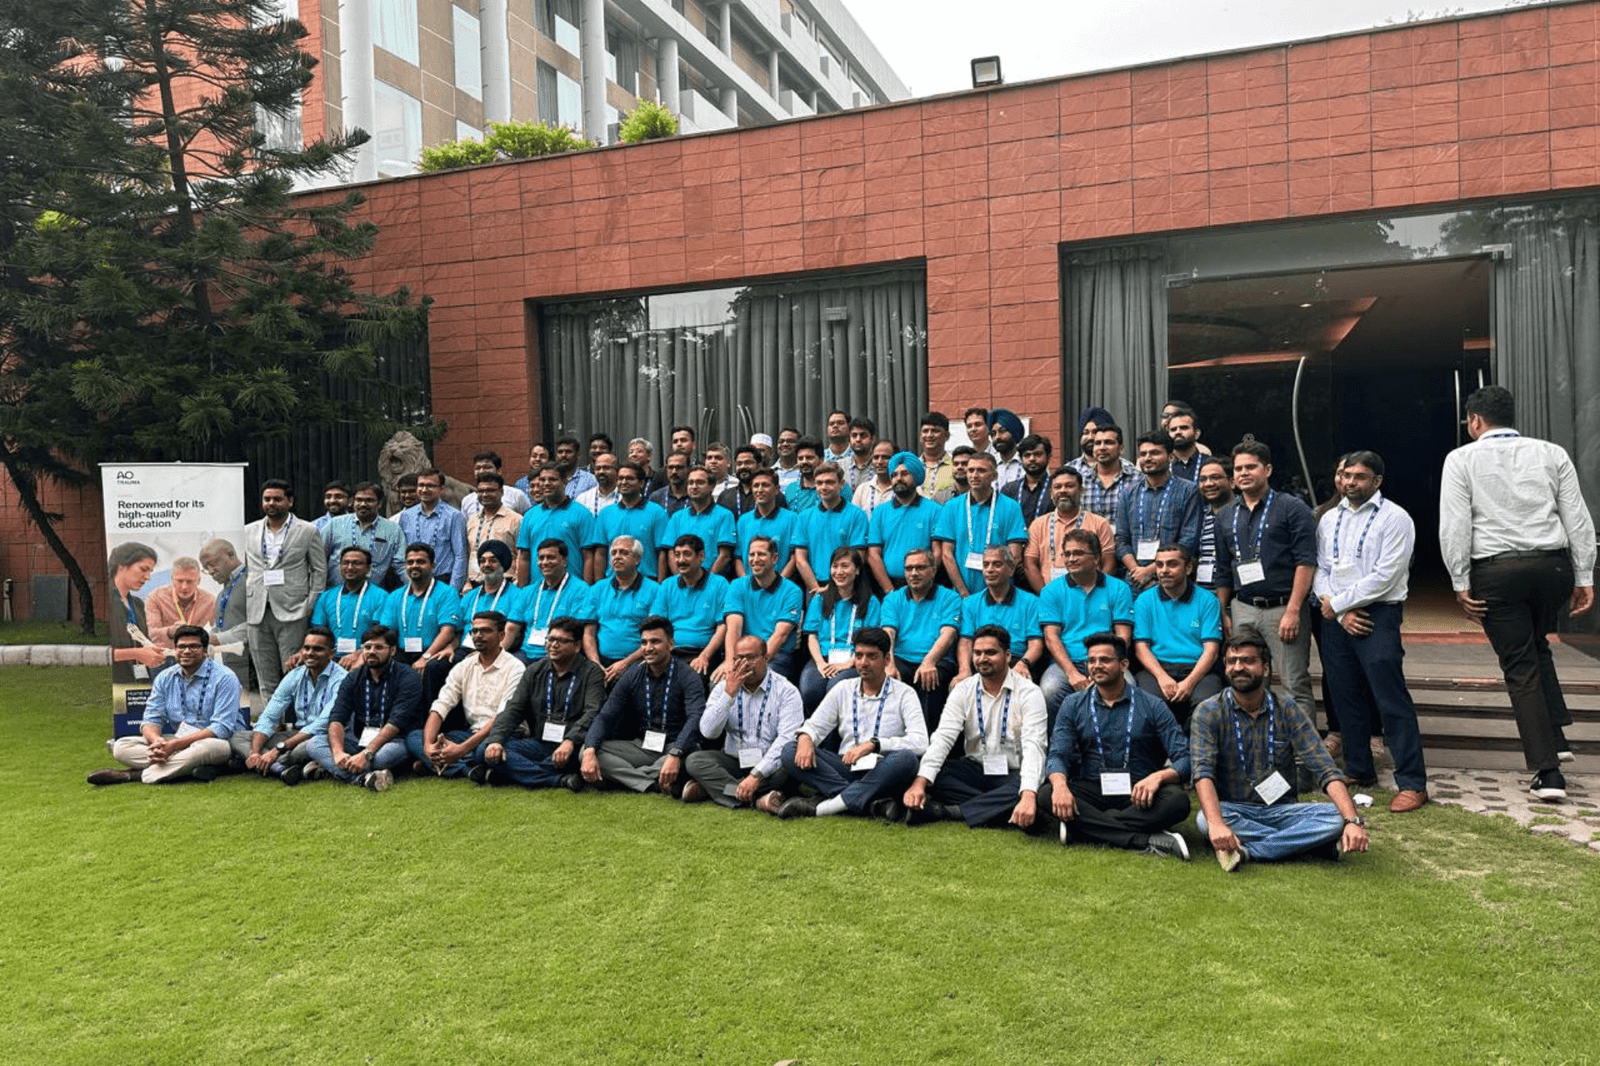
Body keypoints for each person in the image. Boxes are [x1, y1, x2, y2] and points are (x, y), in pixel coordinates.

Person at [1439, 385, 1596, 801]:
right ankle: (1557, 739)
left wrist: (1459, 581)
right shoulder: (1551, 453)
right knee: (1536, 647)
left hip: (1498, 572)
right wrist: (1584, 575)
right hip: (1552, 568)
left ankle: (1548, 773)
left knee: (1519, 664)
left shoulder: (1461, 459)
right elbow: (1577, 517)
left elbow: (1455, 524)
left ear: (1475, 421)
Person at [1192, 628, 1368, 870]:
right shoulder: (1209, 711)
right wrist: (1217, 824)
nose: (1238, 667)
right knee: (1205, 819)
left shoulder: (1287, 708)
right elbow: (1202, 773)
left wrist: (1352, 821)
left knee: (1337, 818)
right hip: (1235, 810)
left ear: (1266, 669)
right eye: (1232, 661)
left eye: (1248, 660)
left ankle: (1249, 851)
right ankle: (1307, 844)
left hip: (1283, 810)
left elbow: (1324, 767)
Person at [1316, 450, 1429, 812]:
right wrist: (1336, 609)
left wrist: (1339, 604)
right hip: (1337, 617)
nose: (1350, 482)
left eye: (1360, 476)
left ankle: (1412, 783)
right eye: (1346, 475)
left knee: (1389, 698)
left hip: (1377, 614)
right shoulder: (1329, 519)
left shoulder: (1396, 518)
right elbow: (1320, 569)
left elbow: (1387, 575)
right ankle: (1359, 769)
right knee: (1344, 694)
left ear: (1377, 481)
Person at [1037, 632, 1192, 859]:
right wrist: (1060, 786)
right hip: (1092, 788)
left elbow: (1185, 758)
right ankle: (1145, 839)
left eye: (1105, 660)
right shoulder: (1073, 704)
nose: (1096, 666)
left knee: (1178, 801)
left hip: (1139, 792)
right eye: (1091, 660)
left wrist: (1158, 777)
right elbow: (1058, 754)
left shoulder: (1152, 705)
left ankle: (1083, 828)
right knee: (1047, 793)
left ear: (1124, 665)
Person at [897, 625, 1049, 829]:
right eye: (977, 653)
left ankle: (948, 811)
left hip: (1013, 772)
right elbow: (943, 738)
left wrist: (1028, 794)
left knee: (1033, 788)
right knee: (925, 773)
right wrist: (920, 782)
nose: (982, 659)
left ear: (1007, 655)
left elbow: (1034, 746)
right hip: (975, 769)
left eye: (990, 653)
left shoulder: (1029, 693)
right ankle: (999, 808)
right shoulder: (964, 689)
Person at [1213, 441, 1319, 727]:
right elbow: (1223, 569)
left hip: (1283, 608)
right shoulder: (1225, 515)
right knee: (1248, 682)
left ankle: (1304, 751)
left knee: (1294, 683)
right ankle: (1258, 744)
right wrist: (1224, 612)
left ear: (1267, 470)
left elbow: (1306, 562)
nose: (1244, 473)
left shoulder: (1292, 508)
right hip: (1243, 609)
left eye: (1251, 467)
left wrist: (1294, 610)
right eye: (1238, 469)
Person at [774, 627, 929, 819]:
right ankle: (870, 803)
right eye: (859, 656)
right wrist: (806, 737)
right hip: (846, 766)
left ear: (887, 659)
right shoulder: (843, 688)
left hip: (882, 769)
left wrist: (874, 744)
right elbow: (814, 726)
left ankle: (825, 807)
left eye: (871, 656)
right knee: (790, 750)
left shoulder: (905, 693)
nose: (863, 663)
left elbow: (921, 742)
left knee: (906, 759)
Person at [89, 625, 244, 785]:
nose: (186, 651)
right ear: (175, 650)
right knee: (121, 746)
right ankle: (198, 767)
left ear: (205, 650)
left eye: (193, 646)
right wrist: (157, 742)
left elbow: (221, 728)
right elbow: (151, 719)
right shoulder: (165, 677)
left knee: (206, 749)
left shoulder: (225, 678)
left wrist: (174, 746)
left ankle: (132, 775)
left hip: (216, 741)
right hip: (178, 741)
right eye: (181, 647)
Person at [580, 616, 707, 794]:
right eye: (644, 642)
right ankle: (654, 783)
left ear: (670, 644)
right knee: (585, 751)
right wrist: (589, 751)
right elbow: (606, 716)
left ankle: (624, 779)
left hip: (677, 746)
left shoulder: (688, 675)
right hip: (643, 746)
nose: (648, 648)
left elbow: (696, 718)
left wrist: (676, 753)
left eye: (655, 642)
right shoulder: (633, 674)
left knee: (691, 758)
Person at [480, 615, 606, 789]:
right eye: (551, 639)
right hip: (540, 743)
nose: (553, 645)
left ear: (577, 646)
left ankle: (512, 773)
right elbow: (514, 709)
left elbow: (593, 712)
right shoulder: (534, 670)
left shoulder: (591, 673)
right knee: (486, 750)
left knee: (576, 757)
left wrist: (570, 741)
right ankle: (558, 780)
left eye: (562, 641)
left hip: (574, 745)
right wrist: (496, 739)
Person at [683, 636, 804, 810]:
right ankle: (758, 799)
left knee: (790, 764)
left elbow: (786, 739)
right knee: (695, 761)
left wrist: (756, 775)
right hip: (735, 761)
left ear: (766, 658)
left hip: (769, 765)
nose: (745, 664)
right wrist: (729, 695)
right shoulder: (723, 688)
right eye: (739, 658)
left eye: (751, 657)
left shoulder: (787, 691)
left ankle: (716, 790)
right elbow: (708, 732)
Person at [406, 610, 526, 779]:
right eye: (474, 631)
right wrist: (428, 747)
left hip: (504, 734)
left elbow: (502, 717)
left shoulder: (515, 668)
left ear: (501, 635)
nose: (478, 636)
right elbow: (440, 706)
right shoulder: (465, 665)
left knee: (484, 751)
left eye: (485, 631)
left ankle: (441, 763)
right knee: (414, 737)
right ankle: (468, 769)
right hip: (471, 733)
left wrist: (461, 749)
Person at [312, 624, 425, 791]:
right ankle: (363, 778)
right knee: (314, 743)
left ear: (393, 650)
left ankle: (333, 769)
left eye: (379, 647)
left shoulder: (408, 677)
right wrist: (338, 752)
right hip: (359, 738)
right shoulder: (353, 678)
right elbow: (337, 717)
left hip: (394, 740)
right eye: (367, 647)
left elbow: (396, 722)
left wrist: (367, 754)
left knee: (382, 758)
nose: (372, 651)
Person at [1038, 528, 1135, 723]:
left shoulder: (1119, 588)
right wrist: (1072, 673)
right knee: (1050, 690)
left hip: (1107, 660)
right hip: (1067, 663)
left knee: (1130, 687)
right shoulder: (1051, 591)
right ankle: (1060, 741)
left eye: (1078, 553)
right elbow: (1051, 637)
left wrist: (1104, 667)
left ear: (1097, 558)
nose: (1071, 559)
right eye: (1067, 554)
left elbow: (1123, 636)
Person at [244, 478, 327, 705]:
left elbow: (319, 570)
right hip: (256, 609)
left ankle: (298, 717)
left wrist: (310, 603)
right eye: (267, 499)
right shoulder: (248, 531)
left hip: (293, 609)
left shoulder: (307, 530)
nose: (271, 503)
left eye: (277, 499)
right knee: (264, 671)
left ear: (289, 501)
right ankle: (272, 718)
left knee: (295, 669)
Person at [236, 626, 346, 784]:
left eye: (317, 649)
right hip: (296, 734)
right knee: (238, 737)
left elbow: (323, 723)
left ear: (331, 653)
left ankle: (265, 764)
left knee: (305, 748)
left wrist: (278, 749)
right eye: (306, 648)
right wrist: (254, 752)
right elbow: (269, 716)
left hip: (324, 737)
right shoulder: (295, 675)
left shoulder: (341, 679)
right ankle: (278, 767)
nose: (310, 653)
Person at [1132, 545, 1223, 731]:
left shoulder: (1208, 600)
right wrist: (1162, 677)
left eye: (1172, 564)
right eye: (1159, 565)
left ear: (1188, 568)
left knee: (1206, 705)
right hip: (1157, 668)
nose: (1164, 570)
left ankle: (1190, 748)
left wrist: (1189, 683)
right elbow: (1141, 648)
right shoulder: (1144, 600)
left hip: (1198, 669)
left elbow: (1211, 651)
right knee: (1148, 703)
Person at [880, 548, 962, 731]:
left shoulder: (950, 597)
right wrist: (889, 664)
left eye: (920, 567)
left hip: (938, 660)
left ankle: (928, 741)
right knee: (887, 678)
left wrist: (929, 661)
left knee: (930, 680)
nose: (914, 573)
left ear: (933, 570)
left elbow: (948, 634)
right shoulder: (893, 599)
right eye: (909, 568)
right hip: (901, 658)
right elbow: (888, 633)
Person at [1115, 430, 1202, 593]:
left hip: (1173, 582)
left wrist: (1150, 571)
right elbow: (1121, 539)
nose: (1147, 458)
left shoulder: (1188, 491)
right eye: (1143, 454)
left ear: (1171, 456)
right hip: (1134, 581)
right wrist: (1137, 571)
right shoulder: (1128, 493)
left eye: (1155, 453)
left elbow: (1188, 540)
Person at [933, 451, 1028, 598]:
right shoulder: (951, 507)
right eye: (971, 470)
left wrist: (993, 594)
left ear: (994, 475)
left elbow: (1014, 555)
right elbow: (947, 554)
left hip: (999, 595)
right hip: (962, 595)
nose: (974, 475)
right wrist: (963, 593)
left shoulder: (1011, 507)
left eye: (981, 470)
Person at [798, 547, 881, 710]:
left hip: (855, 660)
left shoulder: (870, 602)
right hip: (823, 658)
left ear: (857, 570)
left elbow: (870, 642)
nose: (839, 572)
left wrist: (847, 664)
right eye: (835, 566)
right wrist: (820, 663)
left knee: (836, 689)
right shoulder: (820, 599)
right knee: (810, 691)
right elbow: (812, 637)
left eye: (845, 566)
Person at [381, 543, 462, 702]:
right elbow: (386, 630)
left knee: (434, 668)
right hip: (403, 652)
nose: (414, 566)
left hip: (433, 651)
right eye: (410, 562)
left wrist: (426, 657)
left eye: (421, 561)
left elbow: (448, 631)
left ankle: (431, 715)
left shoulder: (447, 593)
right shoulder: (395, 596)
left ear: (432, 566)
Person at [955, 546, 1043, 682]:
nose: (990, 570)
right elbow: (966, 642)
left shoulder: (1031, 602)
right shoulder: (970, 603)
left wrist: (1023, 663)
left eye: (997, 564)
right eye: (986, 565)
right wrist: (964, 670)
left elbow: (1036, 643)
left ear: (1011, 569)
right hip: (982, 662)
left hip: (1016, 661)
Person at [721, 535, 803, 679]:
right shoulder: (737, 585)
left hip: (777, 655)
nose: (755, 559)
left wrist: (754, 665)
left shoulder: (792, 591)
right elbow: (734, 627)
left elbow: (780, 635)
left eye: (761, 554)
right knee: (718, 682)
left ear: (774, 558)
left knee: (754, 680)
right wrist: (730, 662)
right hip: (741, 654)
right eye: (751, 554)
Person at [1023, 466, 1115, 591]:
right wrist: (1046, 595)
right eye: (1057, 487)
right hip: (1050, 593)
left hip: (1090, 593)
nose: (1063, 491)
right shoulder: (1038, 525)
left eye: (1069, 486)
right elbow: (1030, 565)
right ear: (1051, 492)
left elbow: (1108, 563)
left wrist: (1096, 594)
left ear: (1081, 490)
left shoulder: (1099, 524)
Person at [649, 534, 729, 675]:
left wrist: (704, 656)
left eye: (686, 554)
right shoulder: (667, 585)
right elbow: (655, 624)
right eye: (677, 555)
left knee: (690, 679)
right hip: (670, 653)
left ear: (701, 556)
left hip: (702, 653)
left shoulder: (719, 584)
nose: (681, 560)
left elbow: (723, 626)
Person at [583, 536, 659, 684]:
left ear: (637, 559)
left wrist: (625, 663)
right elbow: (588, 634)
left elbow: (655, 636)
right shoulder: (597, 589)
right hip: (601, 662)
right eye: (614, 553)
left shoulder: (654, 590)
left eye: (624, 553)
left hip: (639, 662)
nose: (617, 557)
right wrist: (595, 664)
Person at [866, 452, 942, 594]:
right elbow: (873, 554)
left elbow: (937, 552)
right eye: (894, 475)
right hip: (888, 587)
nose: (898, 479)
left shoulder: (934, 510)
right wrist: (889, 590)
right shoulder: (880, 512)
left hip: (925, 587)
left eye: (905, 474)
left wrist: (925, 582)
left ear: (916, 476)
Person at [792, 462, 870, 593]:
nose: (824, 487)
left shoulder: (857, 515)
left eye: (829, 482)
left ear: (841, 484)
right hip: (814, 588)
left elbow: (858, 558)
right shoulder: (804, 517)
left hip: (848, 588)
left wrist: (832, 589)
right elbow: (800, 560)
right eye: (819, 483)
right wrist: (815, 587)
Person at [509, 539, 591, 662]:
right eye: (541, 558)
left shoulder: (581, 590)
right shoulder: (527, 591)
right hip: (526, 652)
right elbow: (511, 628)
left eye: (551, 557)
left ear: (564, 561)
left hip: (558, 655)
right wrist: (498, 655)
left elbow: (575, 631)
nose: (545, 562)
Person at [588, 461, 669, 581]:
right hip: (612, 582)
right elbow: (600, 553)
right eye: (621, 478)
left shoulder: (657, 513)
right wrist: (599, 586)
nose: (624, 482)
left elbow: (662, 554)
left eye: (630, 478)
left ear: (641, 483)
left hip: (647, 582)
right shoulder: (605, 514)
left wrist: (660, 587)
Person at [310, 547, 388, 669]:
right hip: (331, 659)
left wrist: (360, 654)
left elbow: (381, 634)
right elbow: (319, 631)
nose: (350, 567)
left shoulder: (381, 596)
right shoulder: (326, 596)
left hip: (366, 657)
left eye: (357, 563)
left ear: (368, 568)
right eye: (345, 563)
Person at [516, 463, 594, 583]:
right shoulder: (529, 516)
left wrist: (586, 589)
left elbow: (588, 556)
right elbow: (524, 557)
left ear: (564, 482)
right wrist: (523, 590)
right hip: (537, 589)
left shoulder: (582, 514)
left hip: (571, 588)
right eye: (542, 480)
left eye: (552, 479)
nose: (546, 483)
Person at [322, 481, 403, 588]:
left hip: (374, 594)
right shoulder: (334, 524)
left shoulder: (393, 529)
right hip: (337, 592)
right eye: (359, 500)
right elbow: (319, 559)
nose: (363, 504)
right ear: (352, 502)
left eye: (369, 500)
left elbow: (401, 564)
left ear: (379, 504)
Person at [397, 468, 468, 590]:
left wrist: (453, 590)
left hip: (443, 581)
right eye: (421, 485)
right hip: (413, 581)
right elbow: (401, 554)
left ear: (441, 489)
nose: (424, 490)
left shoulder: (454, 516)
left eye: (430, 486)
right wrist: (409, 584)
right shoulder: (406, 516)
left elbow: (460, 555)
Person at [108, 542, 167, 684]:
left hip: (138, 681)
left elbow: (140, 642)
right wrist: (136, 654)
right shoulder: (105, 601)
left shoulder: (138, 604)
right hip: (113, 682)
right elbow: (96, 653)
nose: (147, 577)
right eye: (143, 569)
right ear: (121, 565)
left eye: (150, 571)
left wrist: (153, 652)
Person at [662, 465, 736, 577]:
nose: (694, 486)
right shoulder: (677, 517)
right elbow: (671, 553)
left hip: (712, 581)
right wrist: (680, 579)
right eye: (691, 483)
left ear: (712, 486)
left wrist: (707, 581)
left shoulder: (725, 515)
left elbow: (725, 555)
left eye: (700, 482)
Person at [199, 537, 251, 692]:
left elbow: (258, 625)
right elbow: (220, 627)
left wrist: (216, 639)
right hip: (233, 667)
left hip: (254, 666)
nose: (210, 571)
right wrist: (201, 638)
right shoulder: (222, 594)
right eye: (206, 568)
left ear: (231, 554)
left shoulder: (252, 580)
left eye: (212, 564)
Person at [734, 468, 798, 577]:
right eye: (756, 486)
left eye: (765, 485)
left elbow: (795, 557)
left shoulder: (792, 519)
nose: (760, 490)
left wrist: (779, 584)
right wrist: (746, 583)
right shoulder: (743, 521)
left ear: (777, 490)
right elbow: (738, 558)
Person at [145, 557, 217, 648]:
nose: (184, 587)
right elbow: (149, 633)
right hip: (165, 654)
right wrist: (170, 631)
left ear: (198, 581)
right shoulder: (156, 598)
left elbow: (219, 631)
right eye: (180, 581)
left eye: (190, 581)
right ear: (172, 579)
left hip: (196, 653)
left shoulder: (209, 601)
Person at [465, 472, 522, 585]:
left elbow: (521, 554)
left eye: (490, 490)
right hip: (475, 584)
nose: (485, 494)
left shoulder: (516, 520)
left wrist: (517, 582)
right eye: (481, 491)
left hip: (505, 583)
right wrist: (467, 582)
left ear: (501, 492)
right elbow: (468, 553)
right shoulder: (472, 520)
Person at [458, 541, 525, 634]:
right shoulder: (469, 597)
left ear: (503, 565)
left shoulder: (517, 596)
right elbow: (456, 630)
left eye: (493, 561)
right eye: (482, 561)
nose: (486, 565)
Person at [1081, 424, 1138, 520]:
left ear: (1121, 449)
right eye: (1097, 443)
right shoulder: (1081, 481)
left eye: (1108, 443)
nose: (1102, 447)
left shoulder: (1137, 479)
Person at [1194, 457, 1233, 590]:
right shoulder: (1199, 516)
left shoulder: (1244, 513)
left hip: (1236, 596)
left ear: (1232, 482)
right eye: (1203, 479)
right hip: (1203, 594)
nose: (1208, 484)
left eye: (1215, 477)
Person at [1002, 434, 1054, 527]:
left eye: (1037, 454)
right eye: (1027, 455)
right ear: (1021, 459)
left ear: (1049, 456)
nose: (1032, 459)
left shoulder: (1057, 487)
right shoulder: (1009, 490)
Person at [460, 451, 533, 517]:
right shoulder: (467, 501)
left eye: (487, 467)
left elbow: (530, 518)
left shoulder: (516, 495)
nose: (481, 471)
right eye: (477, 468)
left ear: (499, 471)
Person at [917, 411, 957, 502]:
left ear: (947, 436)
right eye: (925, 431)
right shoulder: (912, 466)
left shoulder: (955, 465)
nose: (929, 435)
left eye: (935, 431)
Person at [852, 439, 897, 515]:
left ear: (896, 459)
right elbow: (854, 518)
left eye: (885, 457)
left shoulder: (905, 488)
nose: (879, 462)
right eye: (876, 457)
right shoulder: (862, 490)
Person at [1165, 405, 1208, 481]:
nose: (1178, 432)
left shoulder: (1209, 463)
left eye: (1184, 428)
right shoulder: (1162, 465)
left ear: (1196, 434)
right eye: (1173, 429)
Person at [989, 408, 1026, 490]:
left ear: (1014, 433)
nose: (997, 437)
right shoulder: (990, 463)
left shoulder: (1028, 462)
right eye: (993, 434)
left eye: (1002, 431)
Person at [648, 451, 692, 517]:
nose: (674, 472)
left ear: (688, 469)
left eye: (679, 468)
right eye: (670, 467)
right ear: (666, 469)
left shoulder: (695, 496)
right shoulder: (656, 497)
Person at [843, 416, 877, 490]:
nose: (858, 439)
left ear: (872, 439)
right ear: (849, 440)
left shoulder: (879, 465)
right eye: (854, 435)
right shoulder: (840, 466)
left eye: (863, 435)